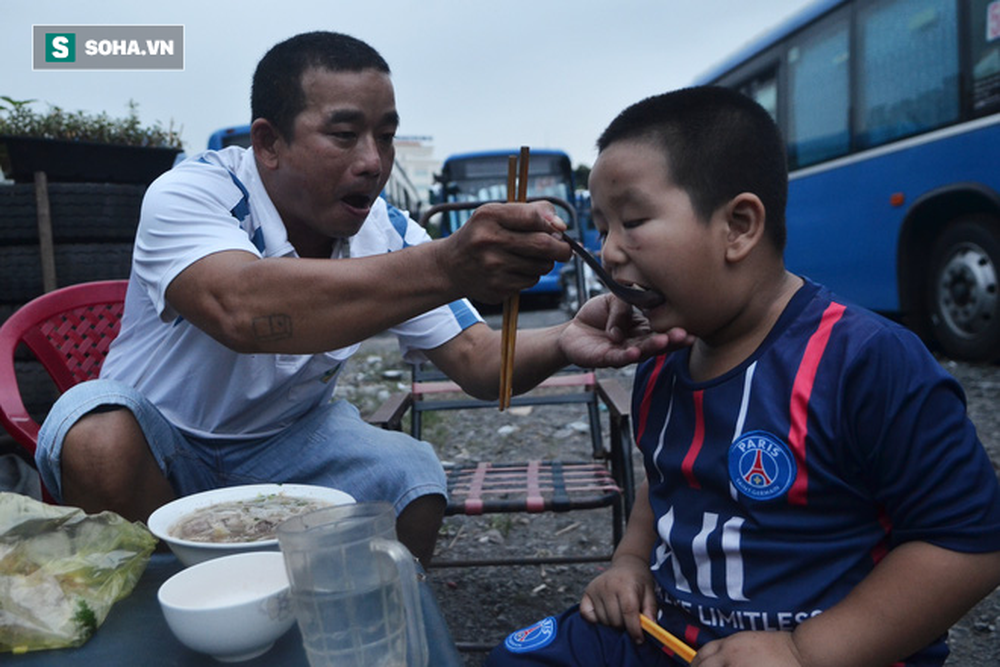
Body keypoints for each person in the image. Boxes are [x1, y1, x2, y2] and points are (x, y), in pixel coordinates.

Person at [33, 31, 682, 567]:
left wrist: (567, 339)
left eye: (387, 135)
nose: (373, 161)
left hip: (289, 439)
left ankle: (368, 632)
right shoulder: (196, 192)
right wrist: (451, 262)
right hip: (163, 436)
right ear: (268, 144)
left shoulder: (392, 234)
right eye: (345, 135)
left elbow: (482, 360)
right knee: (95, 434)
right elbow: (241, 308)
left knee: (409, 477)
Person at [486, 86, 1000, 666]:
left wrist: (805, 651)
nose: (608, 253)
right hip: (672, 633)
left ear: (738, 226)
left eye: (632, 221)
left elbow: (967, 544)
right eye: (601, 229)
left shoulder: (865, 362)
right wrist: (629, 563)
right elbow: (666, 478)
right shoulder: (659, 358)